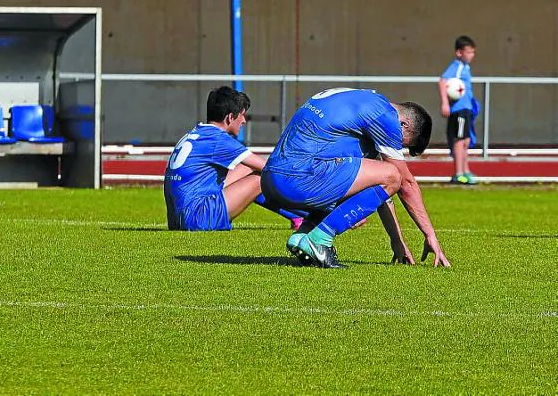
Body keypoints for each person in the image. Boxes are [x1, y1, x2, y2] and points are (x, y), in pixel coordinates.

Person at [261, 87, 451, 269]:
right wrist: (430, 235)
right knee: (394, 174)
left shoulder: (359, 103)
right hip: (297, 180)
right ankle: (319, 240)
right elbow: (403, 182)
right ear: (403, 125)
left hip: (271, 179)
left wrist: (397, 241)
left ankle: (304, 234)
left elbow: (378, 190)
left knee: (382, 173)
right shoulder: (384, 116)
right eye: (401, 143)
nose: (395, 147)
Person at [164, 86, 307, 232]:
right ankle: (308, 215)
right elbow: (269, 169)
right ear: (230, 117)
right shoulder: (218, 139)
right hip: (198, 219)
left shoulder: (197, 133)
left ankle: (297, 217)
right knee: (260, 178)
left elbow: (251, 165)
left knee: (247, 168)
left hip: (177, 220)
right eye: (242, 115)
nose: (244, 121)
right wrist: (306, 178)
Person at [439, 35, 479, 185]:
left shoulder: (466, 67)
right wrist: (445, 103)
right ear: (459, 52)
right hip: (459, 109)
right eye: (468, 52)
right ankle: (458, 173)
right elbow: (443, 81)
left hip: (467, 109)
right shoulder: (457, 66)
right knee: (459, 140)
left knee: (466, 141)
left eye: (472, 52)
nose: (471, 55)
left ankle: (466, 171)